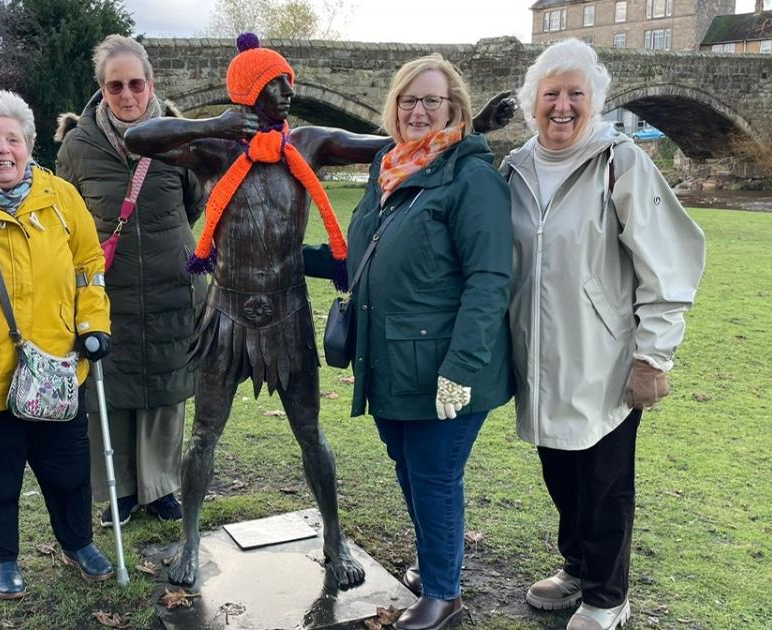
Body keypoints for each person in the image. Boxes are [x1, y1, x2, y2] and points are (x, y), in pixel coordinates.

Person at [125, 33, 516, 590]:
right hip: (227, 316)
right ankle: (188, 540)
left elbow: (393, 144)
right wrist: (211, 126)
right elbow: (140, 137)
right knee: (205, 434)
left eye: (288, 83)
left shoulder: (306, 144)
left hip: (286, 315)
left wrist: (470, 126)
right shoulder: (215, 149)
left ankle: (333, 541)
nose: (287, 94)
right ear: (245, 93)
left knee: (310, 434)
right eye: (272, 86)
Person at [502, 39, 705, 630]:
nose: (562, 107)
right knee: (559, 470)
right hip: (537, 355)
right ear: (531, 102)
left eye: (575, 95)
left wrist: (653, 357)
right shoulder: (513, 167)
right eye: (551, 95)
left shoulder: (620, 162)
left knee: (604, 480)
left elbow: (668, 264)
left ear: (595, 103)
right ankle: (577, 565)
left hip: (606, 357)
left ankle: (608, 595)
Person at [305, 54, 514, 630]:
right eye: (408, 101)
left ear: (456, 110)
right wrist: (288, 259)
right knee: (408, 466)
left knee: (434, 472)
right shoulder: (387, 169)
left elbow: (490, 277)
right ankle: (436, 564)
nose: (418, 111)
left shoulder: (470, 176)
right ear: (394, 109)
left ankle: (444, 595)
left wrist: (461, 366)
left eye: (431, 101)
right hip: (391, 359)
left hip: (443, 365)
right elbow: (360, 261)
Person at [0, 90, 115, 599]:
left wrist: (94, 324)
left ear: (30, 145)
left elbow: (88, 268)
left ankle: (77, 542)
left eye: (13, 138)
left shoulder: (60, 198)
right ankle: (2, 559)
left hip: (56, 367)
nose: (3, 149)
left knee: (69, 469)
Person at [54, 35, 206, 526]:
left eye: (135, 84)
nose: (127, 94)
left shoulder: (178, 135)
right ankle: (119, 491)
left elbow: (194, 202)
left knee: (166, 388)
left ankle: (160, 488)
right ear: (101, 89)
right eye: (115, 85)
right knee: (109, 389)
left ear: (150, 85)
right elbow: (68, 213)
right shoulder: (78, 145)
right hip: (106, 288)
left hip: (170, 284)